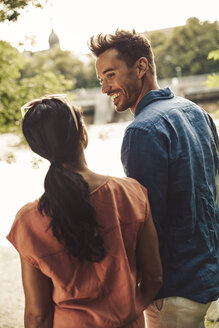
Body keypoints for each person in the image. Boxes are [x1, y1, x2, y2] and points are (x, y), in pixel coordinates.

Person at [89, 29, 219, 328]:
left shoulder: (142, 131)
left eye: (110, 75)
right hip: (206, 272)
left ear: (141, 67)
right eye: (101, 80)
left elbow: (144, 222)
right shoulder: (196, 112)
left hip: (173, 286)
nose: (105, 89)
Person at [7, 94, 162, 328]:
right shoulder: (132, 194)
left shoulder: (28, 222)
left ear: (38, 150)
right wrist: (126, 312)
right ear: (83, 134)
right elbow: (154, 278)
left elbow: (38, 316)